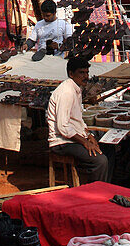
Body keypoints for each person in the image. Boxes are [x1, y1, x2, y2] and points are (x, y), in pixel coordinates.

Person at [46, 52, 109, 182]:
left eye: (87, 73)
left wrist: (89, 136)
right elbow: (63, 127)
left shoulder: (76, 89)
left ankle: (103, 186)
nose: (86, 77)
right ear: (71, 74)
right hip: (62, 142)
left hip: (72, 138)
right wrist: (85, 142)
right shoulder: (67, 92)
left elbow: (78, 120)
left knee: (108, 149)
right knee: (100, 160)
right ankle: (95, 193)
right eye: (82, 73)